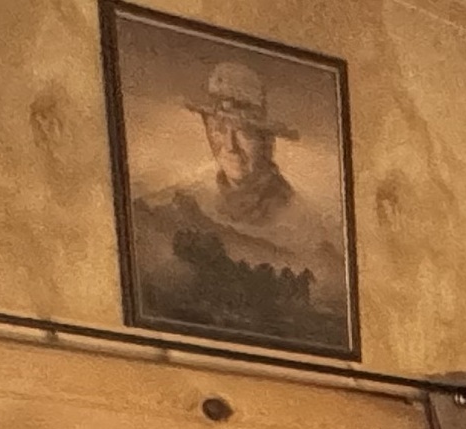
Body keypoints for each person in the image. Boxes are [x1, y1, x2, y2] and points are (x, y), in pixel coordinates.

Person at [127, 57, 347, 347]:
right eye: (218, 128)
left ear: (267, 141)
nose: (229, 145)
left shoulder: (307, 223)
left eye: (242, 130)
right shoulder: (182, 203)